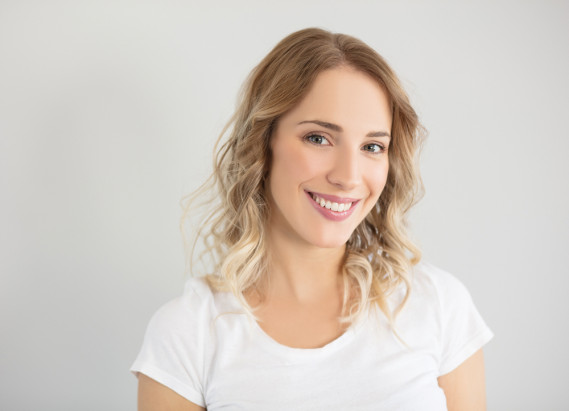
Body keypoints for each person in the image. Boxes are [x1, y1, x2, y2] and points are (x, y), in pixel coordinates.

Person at [131, 28, 493, 410]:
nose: (348, 176)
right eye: (318, 138)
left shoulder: (437, 304)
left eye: (372, 146)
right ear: (262, 143)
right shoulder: (189, 333)